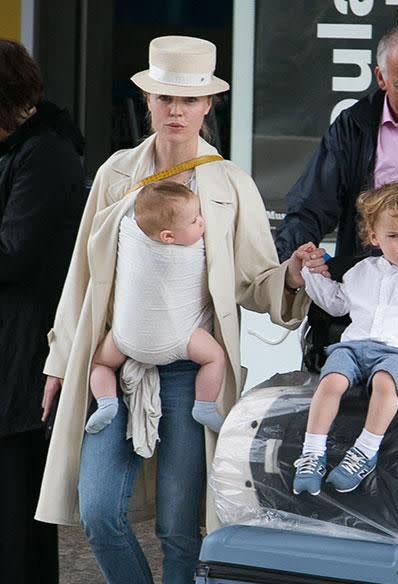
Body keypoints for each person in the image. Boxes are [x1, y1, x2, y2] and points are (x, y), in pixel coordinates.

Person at [35, 35, 314, 584]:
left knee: (180, 529)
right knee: (98, 513)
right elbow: (82, 279)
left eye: (189, 100)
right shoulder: (117, 173)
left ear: (208, 104)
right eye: (165, 98)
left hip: (194, 373)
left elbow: (255, 282)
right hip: (115, 366)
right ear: (148, 102)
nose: (177, 110)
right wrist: (60, 360)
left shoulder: (231, 184)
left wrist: (293, 276)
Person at [292, 182, 398, 496]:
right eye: (394, 236)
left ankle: (365, 450)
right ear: (374, 238)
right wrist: (312, 273)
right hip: (355, 347)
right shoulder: (361, 271)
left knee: (384, 382)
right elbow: (337, 303)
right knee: (331, 382)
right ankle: (312, 453)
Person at [0, 39, 86, 584]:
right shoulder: (17, 149)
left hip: (23, 348)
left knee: (15, 498)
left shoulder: (46, 153)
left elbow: (15, 255)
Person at [275, 26, 398, 262]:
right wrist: (285, 265)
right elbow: (311, 206)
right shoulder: (354, 126)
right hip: (369, 277)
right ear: (381, 78)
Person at [86, 181, 226, 437]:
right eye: (195, 221)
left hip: (125, 339)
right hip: (178, 340)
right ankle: (204, 405)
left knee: (99, 363)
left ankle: (106, 402)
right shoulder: (195, 250)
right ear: (168, 237)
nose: (202, 223)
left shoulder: (130, 231)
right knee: (215, 357)